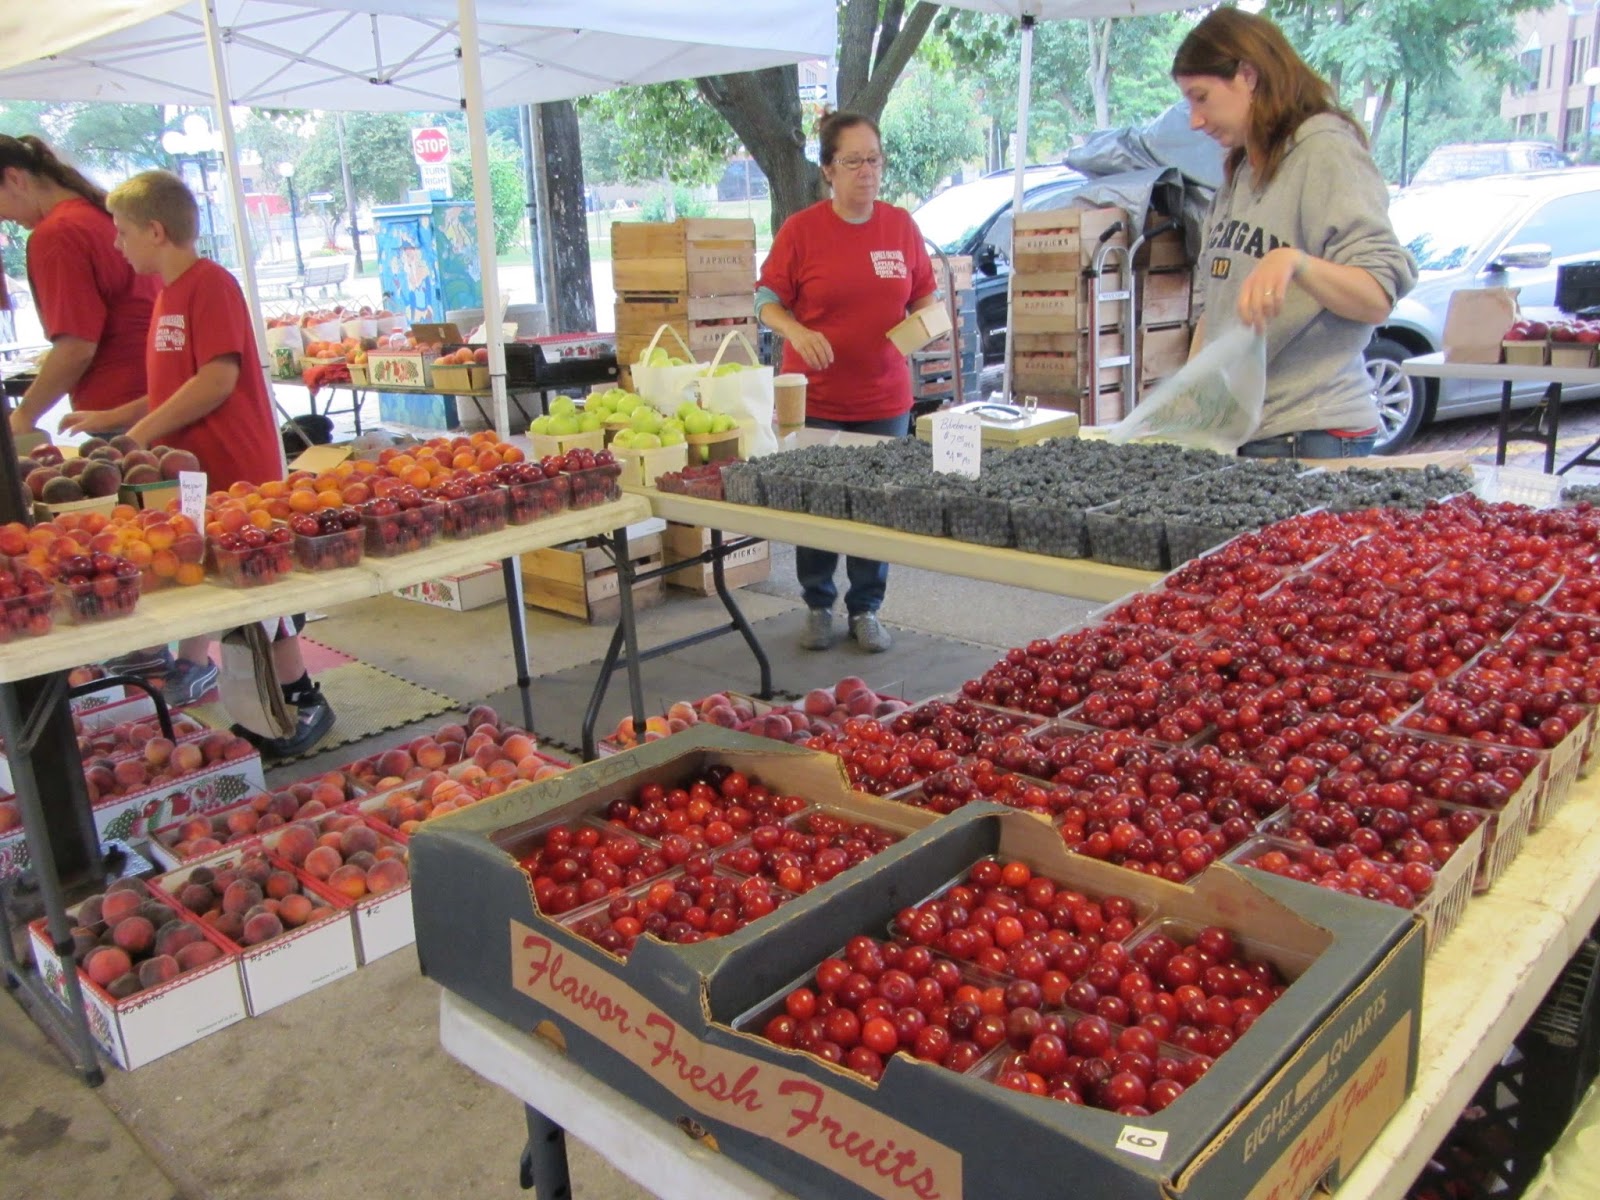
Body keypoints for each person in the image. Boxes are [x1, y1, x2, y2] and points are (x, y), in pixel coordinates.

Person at [60, 170, 336, 757]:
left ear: (155, 231)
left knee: (263, 588)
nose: (117, 245)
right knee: (228, 589)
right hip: (195, 474)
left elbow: (216, 381)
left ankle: (302, 696)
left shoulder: (210, 285)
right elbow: (172, 388)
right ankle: (262, 697)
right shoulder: (167, 295)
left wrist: (135, 436)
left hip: (239, 467)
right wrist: (115, 417)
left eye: (122, 232)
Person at [1172, 8, 1416, 459]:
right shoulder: (1241, 173)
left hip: (1311, 434)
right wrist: (1189, 402)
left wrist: (1295, 263)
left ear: (1248, 76)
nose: (1195, 120)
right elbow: (1214, 309)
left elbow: (1377, 293)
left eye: (1200, 97)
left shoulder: (1324, 151)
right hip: (1243, 433)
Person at [756, 111, 940, 653]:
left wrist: (927, 324)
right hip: (814, 397)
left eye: (874, 159)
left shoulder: (900, 227)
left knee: (874, 508)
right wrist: (796, 329)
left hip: (883, 397)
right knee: (817, 504)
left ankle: (866, 608)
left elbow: (924, 296)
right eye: (853, 160)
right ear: (828, 170)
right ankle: (818, 604)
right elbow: (765, 300)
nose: (867, 171)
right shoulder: (802, 230)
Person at [0, 135, 158, 438]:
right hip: (154, 398)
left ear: (15, 178)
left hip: (121, 410)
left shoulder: (57, 233)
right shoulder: (98, 213)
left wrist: (24, 416)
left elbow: (76, 348)